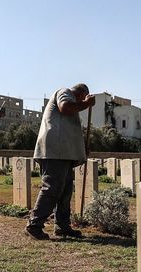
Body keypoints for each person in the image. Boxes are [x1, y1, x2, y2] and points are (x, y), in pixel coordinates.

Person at [26, 83, 96, 240]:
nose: (82, 103)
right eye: (83, 99)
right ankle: (34, 225)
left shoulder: (73, 102)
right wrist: (86, 104)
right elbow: (65, 107)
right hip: (55, 151)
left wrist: (81, 147)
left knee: (65, 191)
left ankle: (62, 226)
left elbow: (69, 129)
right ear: (81, 94)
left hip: (64, 153)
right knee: (52, 188)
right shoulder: (65, 92)